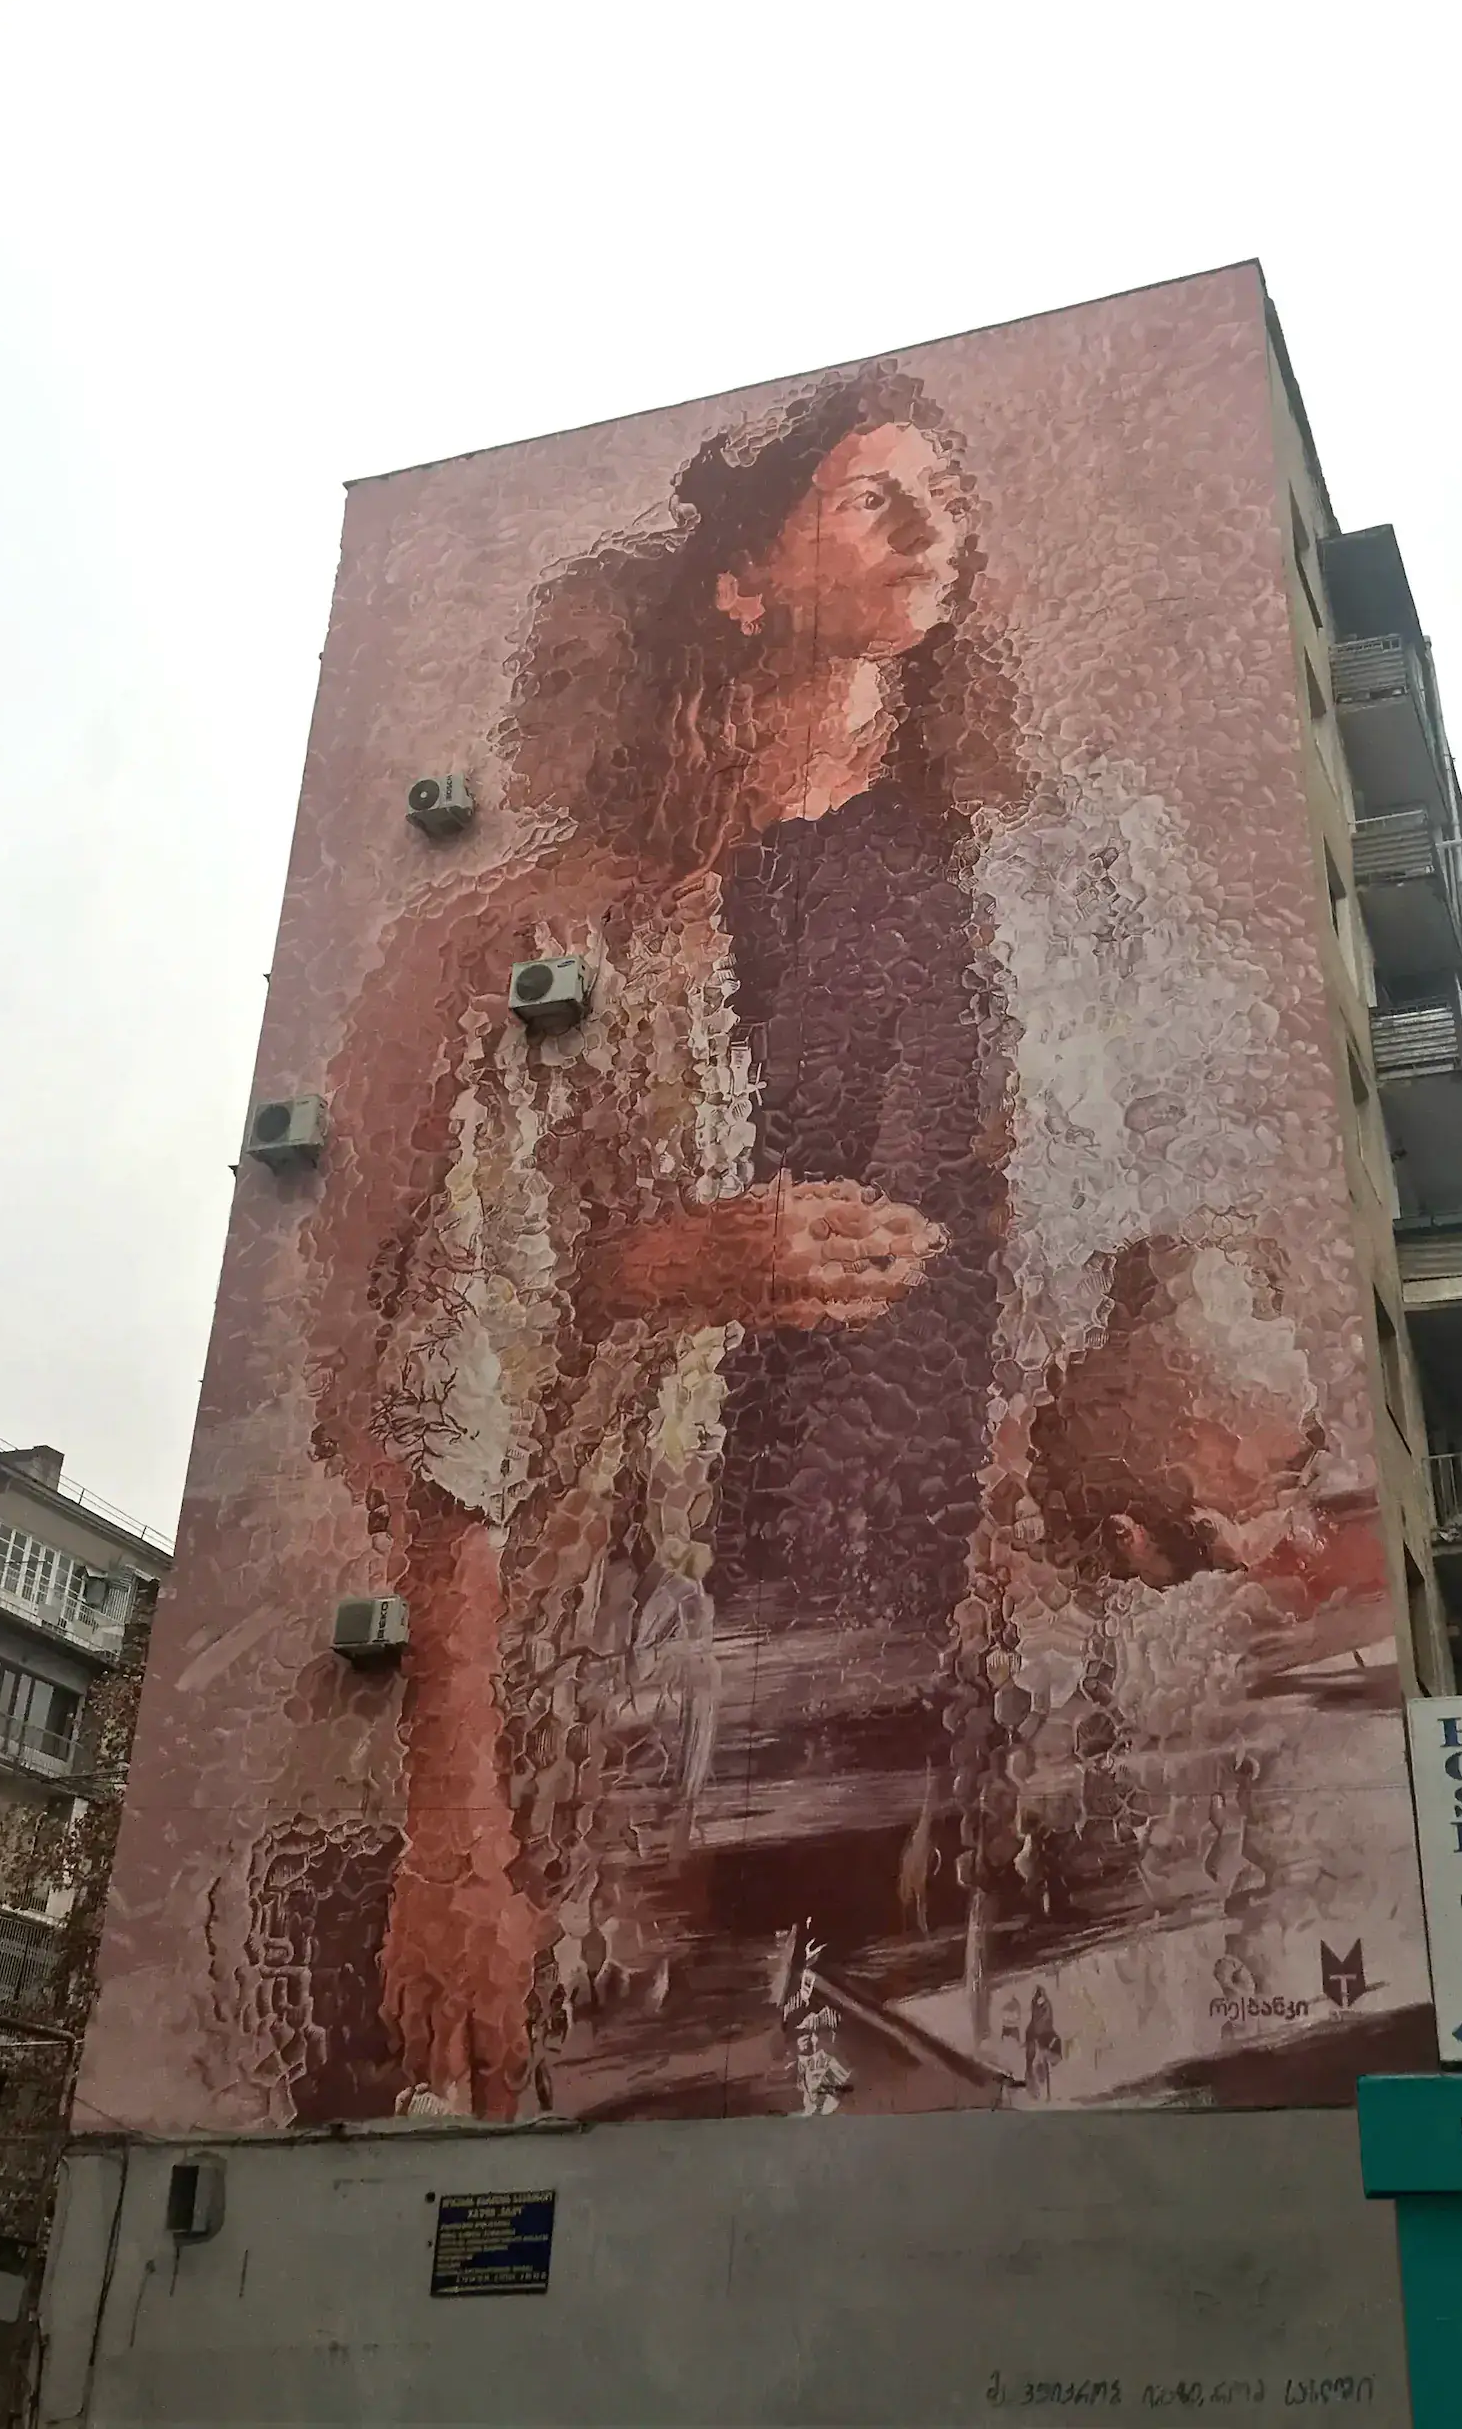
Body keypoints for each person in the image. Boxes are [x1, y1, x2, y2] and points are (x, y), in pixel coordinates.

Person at [296, 367, 1018, 2119]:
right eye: (871, 493)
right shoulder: (584, 937)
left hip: (955, 1739)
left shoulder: (1033, 896)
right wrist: (455, 1843)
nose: (933, 520)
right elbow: (456, 1382)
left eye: (948, 486)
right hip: (642, 1742)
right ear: (745, 581)